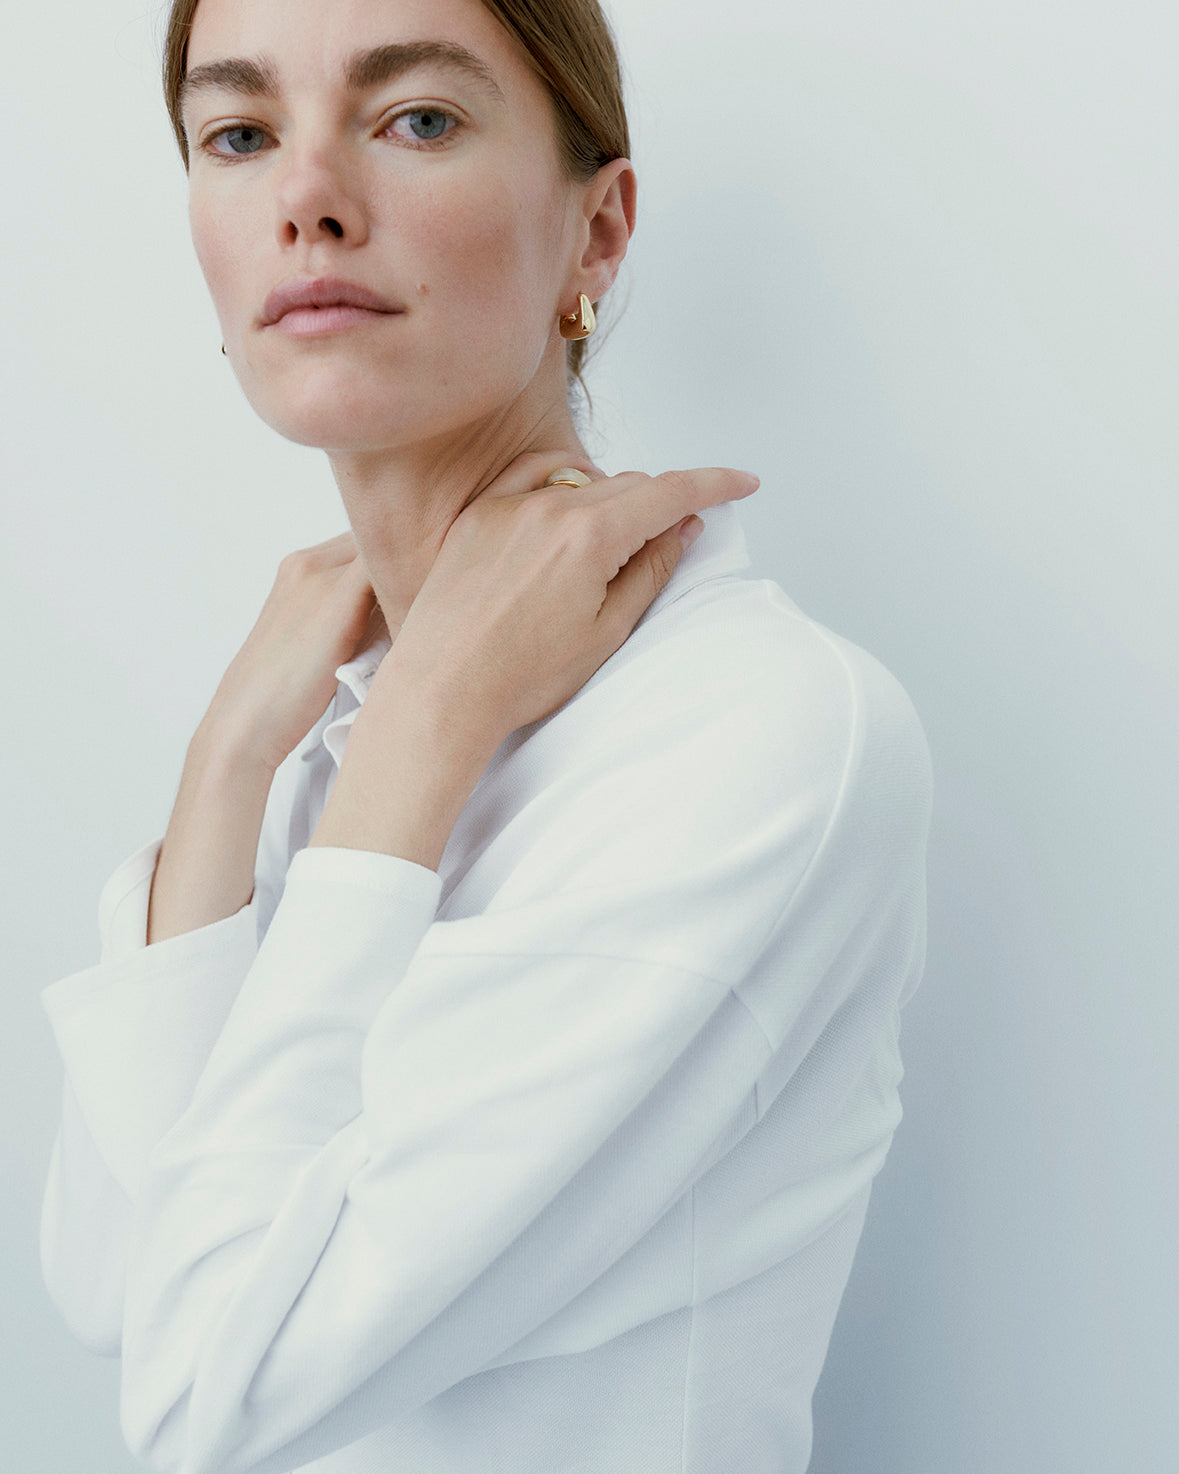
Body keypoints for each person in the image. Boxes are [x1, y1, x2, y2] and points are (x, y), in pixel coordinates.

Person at [38, 0, 933, 1470]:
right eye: (241, 134)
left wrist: (425, 726)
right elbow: (113, 1285)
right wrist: (225, 770)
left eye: (418, 119)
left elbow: (204, 1399)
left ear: (598, 232)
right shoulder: (315, 726)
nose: (308, 198)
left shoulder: (754, 733)